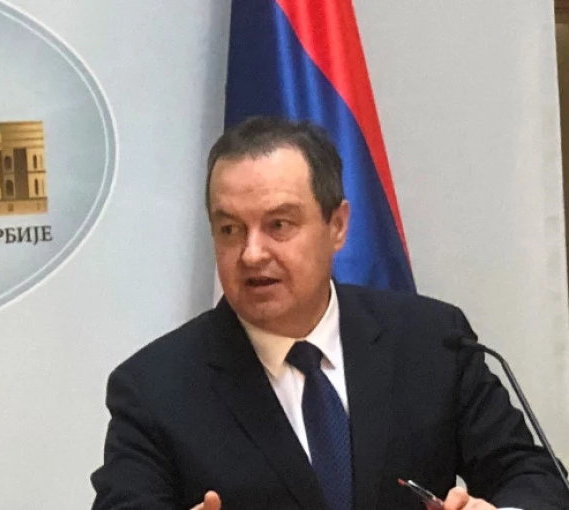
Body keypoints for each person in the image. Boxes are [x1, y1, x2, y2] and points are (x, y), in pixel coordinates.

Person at [90, 116, 569, 509]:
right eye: (230, 229)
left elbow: (533, 476)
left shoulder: (433, 341)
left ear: (337, 225)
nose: (252, 253)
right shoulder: (154, 388)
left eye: (279, 224)